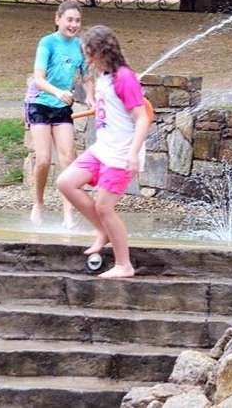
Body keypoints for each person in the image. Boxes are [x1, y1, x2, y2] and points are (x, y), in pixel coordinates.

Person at [57, 25, 150, 279]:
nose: (86, 59)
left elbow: (142, 119)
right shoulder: (105, 76)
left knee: (104, 207)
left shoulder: (124, 78)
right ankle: (103, 230)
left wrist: (133, 154)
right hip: (103, 149)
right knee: (66, 182)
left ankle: (124, 264)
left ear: (102, 52)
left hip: (121, 153)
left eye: (89, 53)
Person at [26, 0, 93, 228]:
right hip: (40, 104)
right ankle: (38, 202)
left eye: (77, 21)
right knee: (44, 160)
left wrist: (91, 98)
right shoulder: (47, 43)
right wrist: (57, 92)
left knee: (68, 160)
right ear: (58, 19)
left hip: (62, 108)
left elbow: (86, 76)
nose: (73, 25)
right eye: (69, 20)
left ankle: (68, 213)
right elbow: (38, 79)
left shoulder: (80, 47)